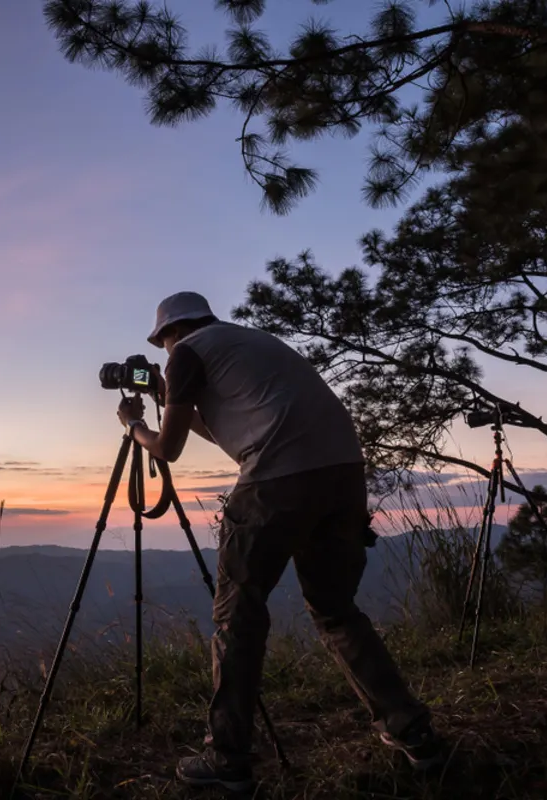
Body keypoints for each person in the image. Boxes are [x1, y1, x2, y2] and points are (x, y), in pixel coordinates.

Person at [116, 291, 445, 791]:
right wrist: (170, 397)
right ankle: (413, 732)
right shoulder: (248, 342)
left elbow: (167, 448)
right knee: (336, 610)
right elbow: (226, 431)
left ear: (170, 334)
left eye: (162, 344)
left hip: (277, 480)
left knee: (237, 616)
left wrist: (136, 426)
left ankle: (227, 757)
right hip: (344, 476)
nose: (164, 354)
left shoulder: (186, 353)